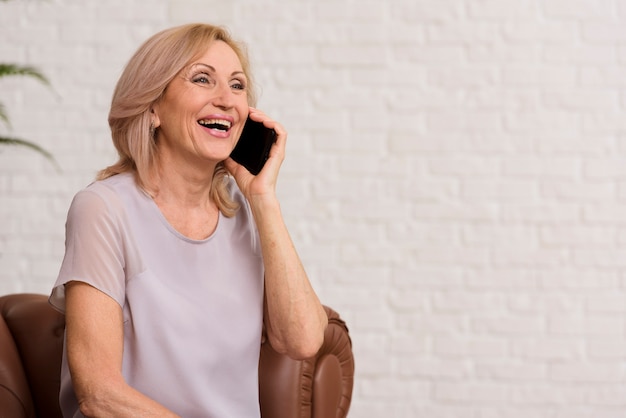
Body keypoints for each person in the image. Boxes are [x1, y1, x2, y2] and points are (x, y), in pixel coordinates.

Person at [49, 23, 328, 417]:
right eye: (202, 79)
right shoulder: (104, 207)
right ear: (152, 107)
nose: (227, 100)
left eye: (237, 85)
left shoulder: (244, 210)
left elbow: (302, 341)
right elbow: (100, 394)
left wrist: (264, 199)